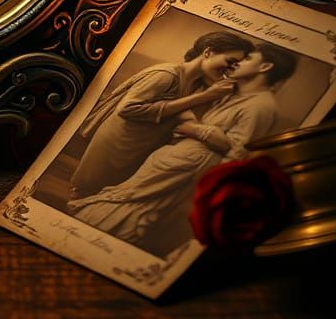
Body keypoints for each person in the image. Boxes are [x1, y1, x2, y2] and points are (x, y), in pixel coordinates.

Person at [68, 43, 298, 257]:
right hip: (175, 160)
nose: (237, 64)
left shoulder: (261, 106)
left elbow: (237, 151)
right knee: (129, 200)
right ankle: (86, 238)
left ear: (265, 67)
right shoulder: (232, 93)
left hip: (187, 167)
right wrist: (196, 127)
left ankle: (95, 244)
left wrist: (198, 133)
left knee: (136, 206)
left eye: (247, 59)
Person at [64, 31, 251, 200]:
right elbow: (127, 109)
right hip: (119, 141)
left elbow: (180, 113)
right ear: (208, 52)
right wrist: (203, 97)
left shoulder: (196, 84)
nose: (229, 71)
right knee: (87, 188)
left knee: (107, 193)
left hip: (143, 145)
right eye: (230, 62)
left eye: (234, 68)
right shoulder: (166, 75)